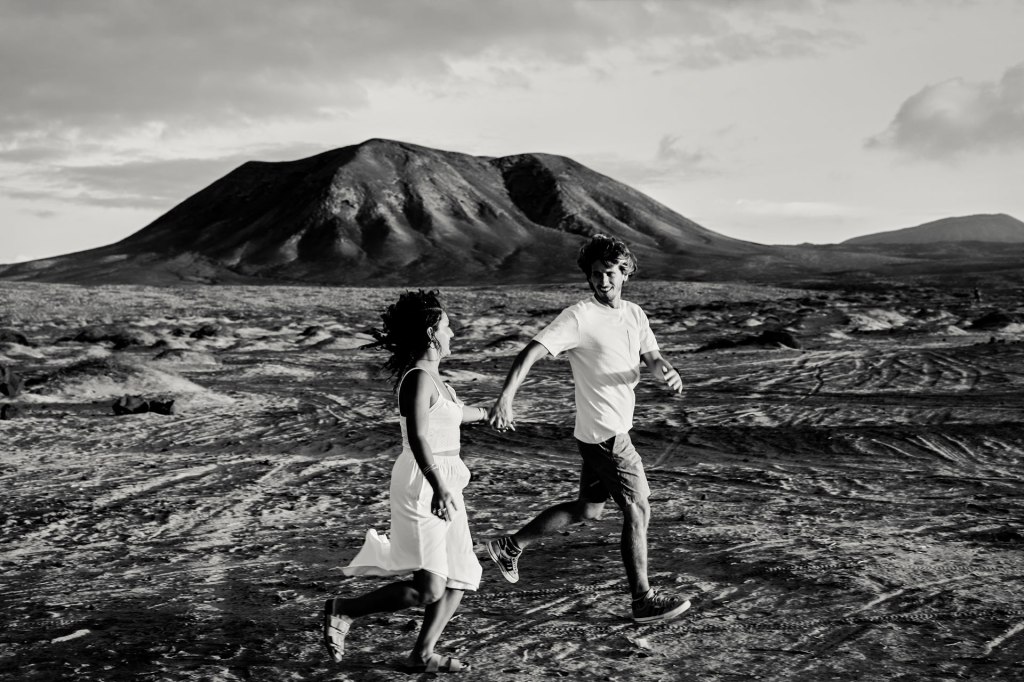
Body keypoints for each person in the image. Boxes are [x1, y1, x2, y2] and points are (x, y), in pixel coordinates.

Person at [486, 235, 691, 623]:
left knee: (588, 510)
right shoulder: (579, 316)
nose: (603, 282)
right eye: (596, 275)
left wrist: (666, 371)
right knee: (638, 508)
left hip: (601, 432)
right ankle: (642, 599)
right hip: (606, 435)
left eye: (610, 273)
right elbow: (530, 351)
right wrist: (506, 398)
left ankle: (511, 545)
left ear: (625, 272)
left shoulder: (634, 314)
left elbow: (652, 356)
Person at [322, 290, 488, 673]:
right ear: (432, 332)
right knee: (430, 587)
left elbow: (456, 414)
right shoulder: (417, 379)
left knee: (461, 576)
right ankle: (343, 610)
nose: (453, 335)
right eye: (448, 328)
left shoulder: (438, 381)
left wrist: (489, 412)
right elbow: (418, 436)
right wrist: (437, 485)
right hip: (423, 481)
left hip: (447, 480)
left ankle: (423, 654)